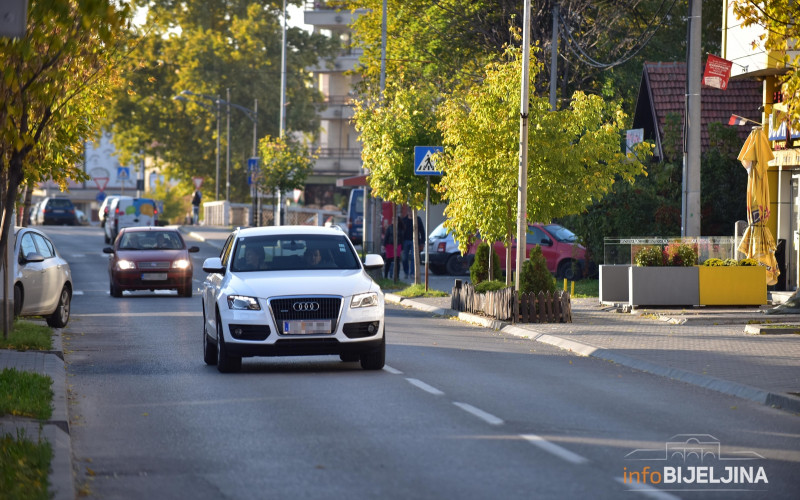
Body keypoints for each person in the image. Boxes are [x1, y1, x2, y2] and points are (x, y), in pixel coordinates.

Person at [401, 210, 425, 279]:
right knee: (404, 258)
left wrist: (422, 242)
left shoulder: (418, 219)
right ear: (407, 212)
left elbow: (422, 231)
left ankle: (412, 273)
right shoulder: (404, 220)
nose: (410, 212)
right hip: (405, 241)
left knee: (413, 258)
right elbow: (400, 231)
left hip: (414, 241)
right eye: (409, 211)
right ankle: (406, 273)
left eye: (411, 211)